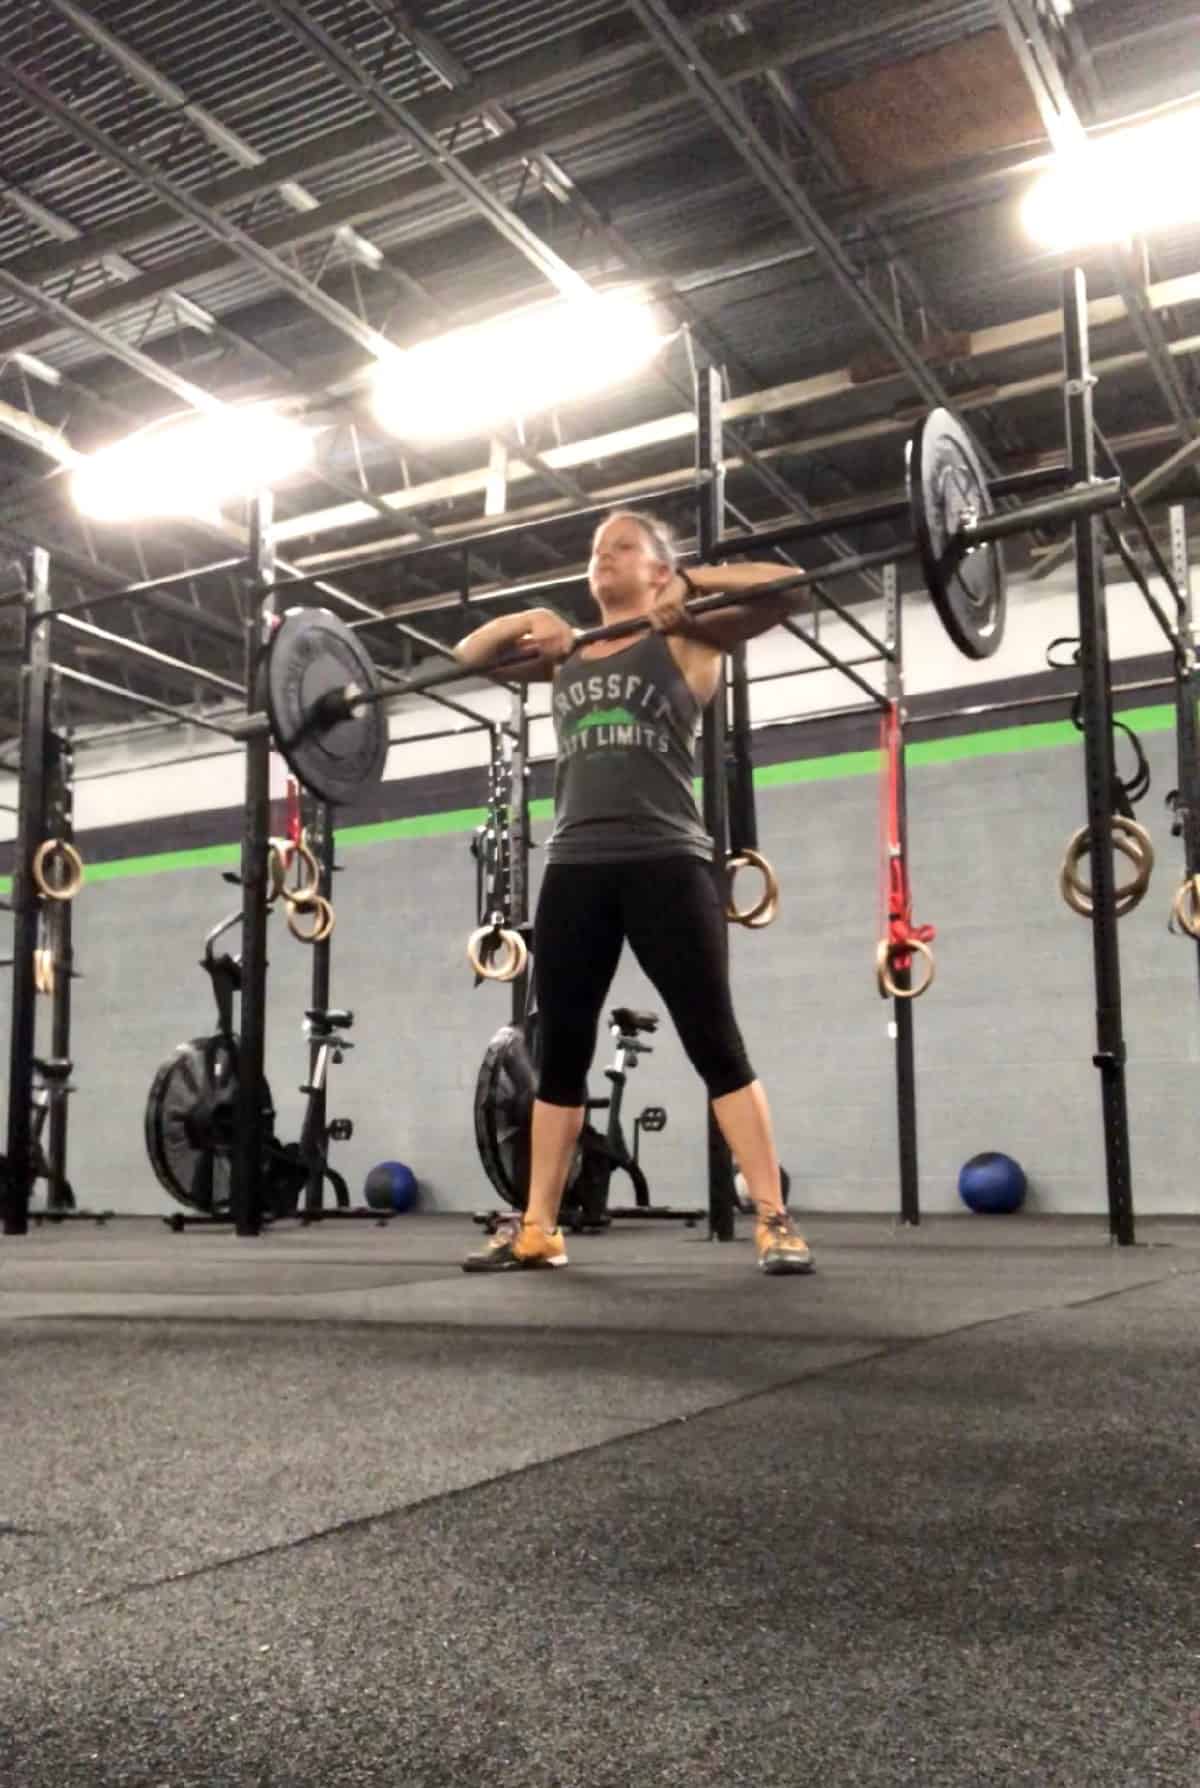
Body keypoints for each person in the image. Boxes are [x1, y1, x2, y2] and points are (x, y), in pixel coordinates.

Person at [455, 509, 813, 1277]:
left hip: (667, 862)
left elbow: (790, 587)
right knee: (560, 1055)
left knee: (714, 1042)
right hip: (576, 867)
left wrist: (689, 586)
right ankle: (540, 1226)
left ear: (656, 567)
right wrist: (532, 616)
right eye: (594, 551)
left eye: (621, 547)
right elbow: (467, 655)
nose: (601, 559)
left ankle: (775, 1218)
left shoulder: (689, 635)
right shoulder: (565, 654)